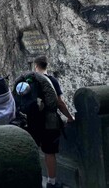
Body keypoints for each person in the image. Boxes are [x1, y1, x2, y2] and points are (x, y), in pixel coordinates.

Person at [33, 55, 74, 188]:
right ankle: (51, 182)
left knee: (34, 150)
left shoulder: (30, 80)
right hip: (49, 122)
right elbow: (60, 103)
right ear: (46, 65)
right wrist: (69, 117)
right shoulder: (52, 81)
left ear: (35, 65)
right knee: (49, 152)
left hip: (33, 121)